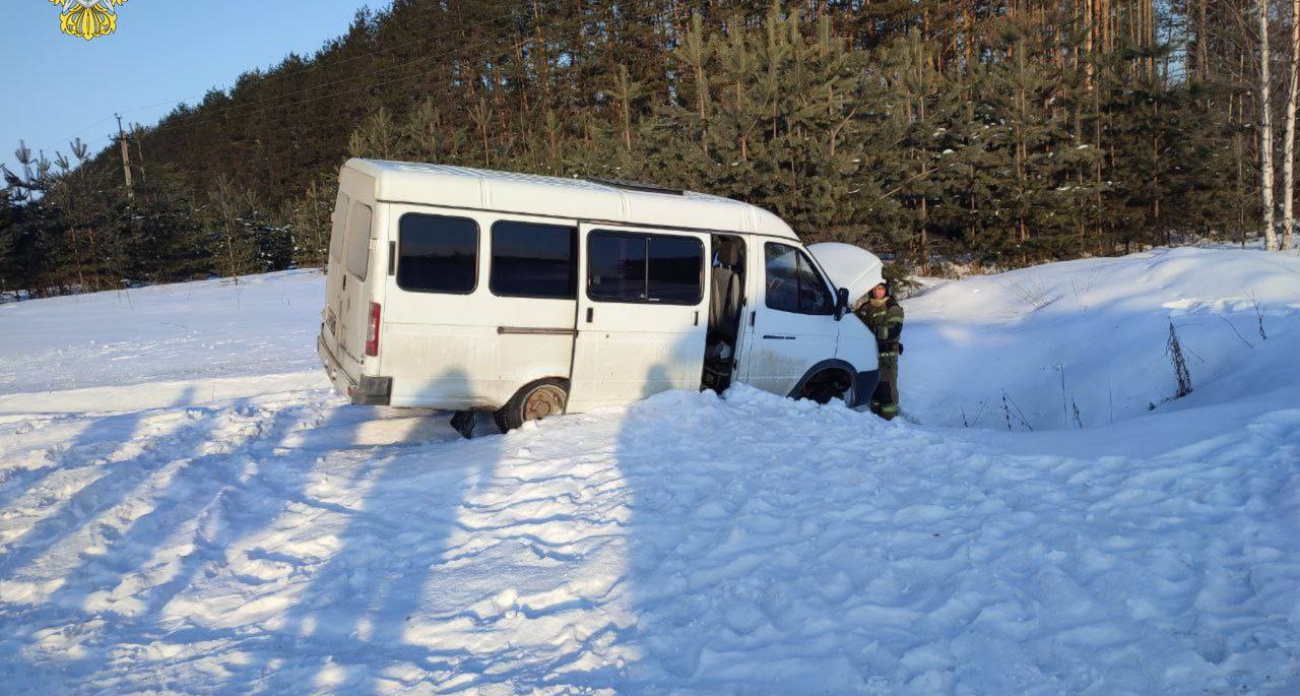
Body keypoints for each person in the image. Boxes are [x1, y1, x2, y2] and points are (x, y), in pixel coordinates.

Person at [854, 281, 904, 420]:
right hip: (869, 356)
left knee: (887, 389)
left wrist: (869, 331)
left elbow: (894, 330)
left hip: (887, 357)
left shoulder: (892, 307)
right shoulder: (865, 307)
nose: (877, 292)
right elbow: (853, 324)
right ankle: (877, 425)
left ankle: (891, 422)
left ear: (886, 289)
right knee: (874, 389)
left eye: (881, 288)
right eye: (874, 288)